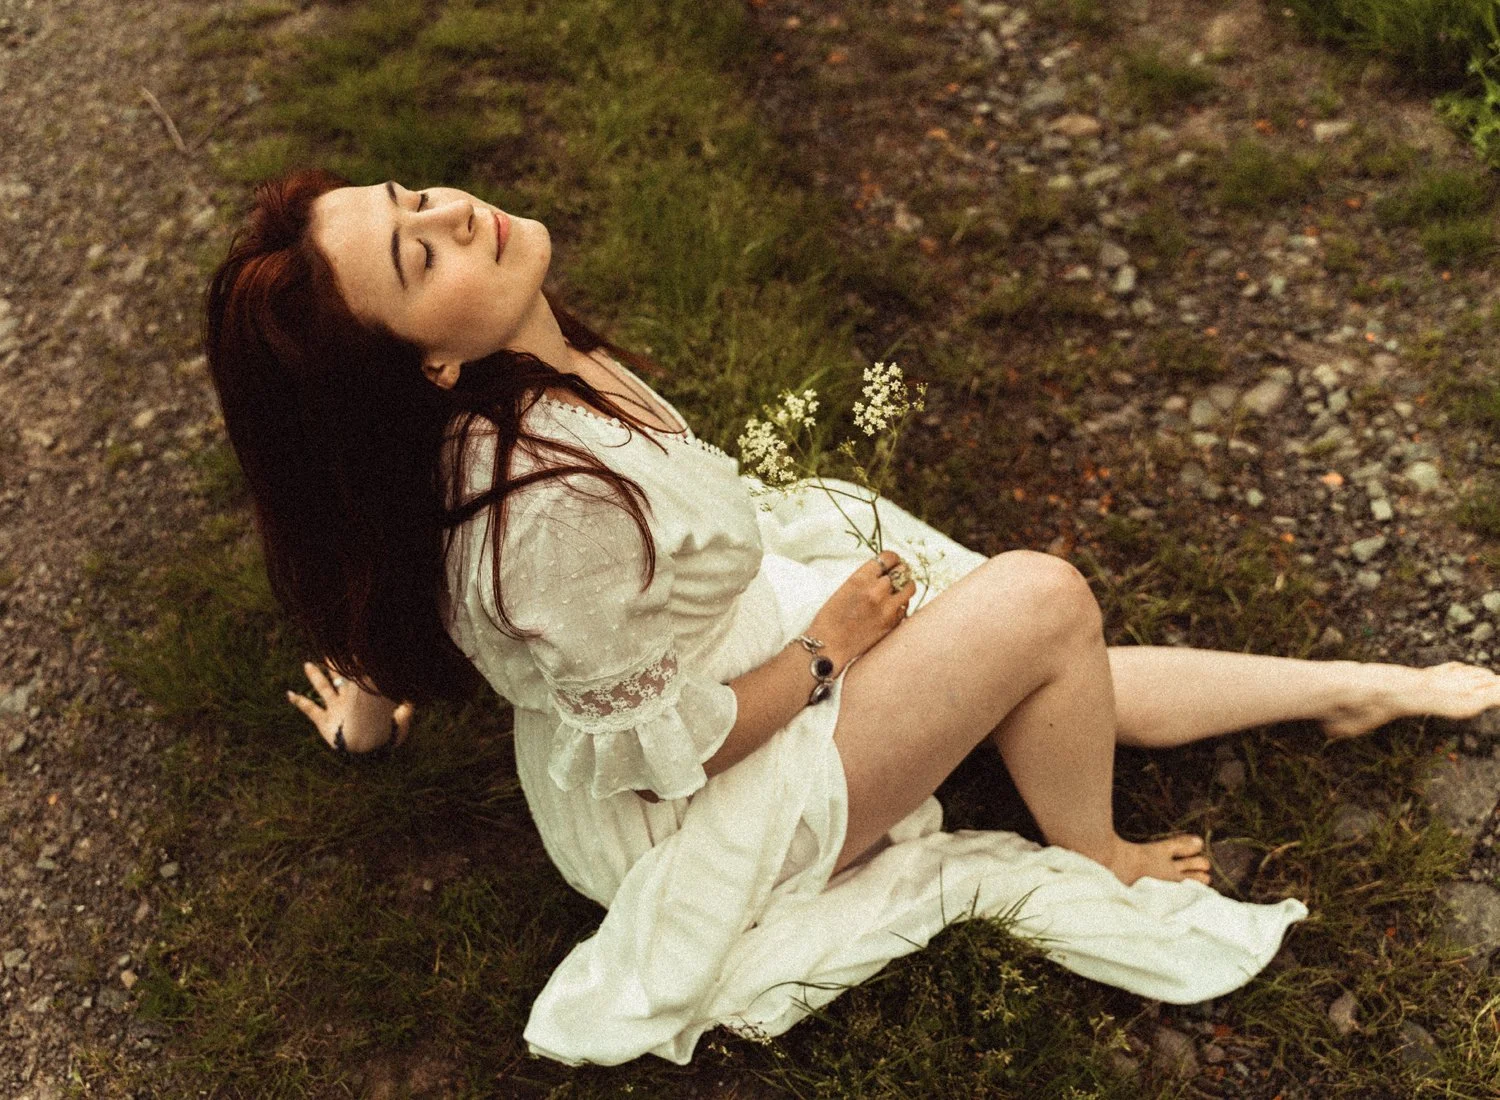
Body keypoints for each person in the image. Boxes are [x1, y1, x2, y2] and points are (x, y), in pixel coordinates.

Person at [205, 169, 1500, 1066]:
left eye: (411, 197)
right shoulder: (551, 518)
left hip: (722, 656)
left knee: (1043, 652)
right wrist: (828, 648)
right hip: (710, 800)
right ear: (428, 365)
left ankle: (1358, 686)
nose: (451, 214)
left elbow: (397, 588)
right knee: (1041, 602)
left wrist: (370, 711)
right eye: (419, 256)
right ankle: (1098, 849)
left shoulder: (495, 397)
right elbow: (669, 752)